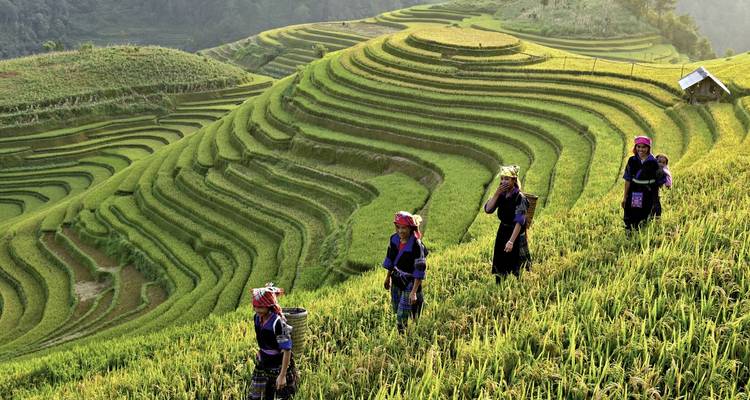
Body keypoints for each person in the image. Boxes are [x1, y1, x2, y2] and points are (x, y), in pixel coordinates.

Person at [249, 284, 298, 400]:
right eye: (255, 307)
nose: (257, 310)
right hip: (264, 361)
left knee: (280, 395)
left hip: (278, 363)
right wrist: (261, 351)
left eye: (261, 307)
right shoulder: (257, 318)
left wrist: (282, 375)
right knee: (261, 395)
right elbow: (262, 337)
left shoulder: (277, 323)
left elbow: (287, 350)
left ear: (269, 306)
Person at [383, 211, 428, 332]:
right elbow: (390, 259)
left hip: (410, 283)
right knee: (396, 308)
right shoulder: (394, 240)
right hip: (396, 279)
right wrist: (388, 277)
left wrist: (413, 292)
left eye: (404, 228)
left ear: (410, 228)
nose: (401, 231)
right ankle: (412, 319)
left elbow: (420, 269)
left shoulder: (416, 246)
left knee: (401, 315)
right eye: (398, 227)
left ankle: (403, 337)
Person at [484, 165, 530, 282]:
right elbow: (488, 210)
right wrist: (496, 193)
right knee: (500, 263)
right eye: (502, 179)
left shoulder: (520, 198)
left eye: (507, 179)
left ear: (514, 180)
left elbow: (519, 221)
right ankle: (499, 286)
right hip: (502, 231)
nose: (503, 181)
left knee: (515, 264)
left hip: (515, 232)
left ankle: (516, 288)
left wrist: (511, 241)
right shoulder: (502, 195)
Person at [621, 136, 665, 231]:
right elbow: (628, 179)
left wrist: (655, 198)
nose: (641, 149)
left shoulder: (653, 162)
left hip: (648, 191)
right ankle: (630, 232)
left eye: (643, 147)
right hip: (635, 190)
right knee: (632, 213)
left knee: (645, 213)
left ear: (648, 148)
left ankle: (642, 234)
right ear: (635, 147)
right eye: (638, 147)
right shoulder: (632, 160)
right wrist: (625, 197)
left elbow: (659, 181)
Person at [653, 153, 673, 218]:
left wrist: (668, 185)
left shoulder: (665, 171)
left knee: (656, 204)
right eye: (659, 162)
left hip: (656, 189)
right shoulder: (653, 168)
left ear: (666, 164)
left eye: (663, 163)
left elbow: (668, 178)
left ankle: (657, 217)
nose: (661, 164)